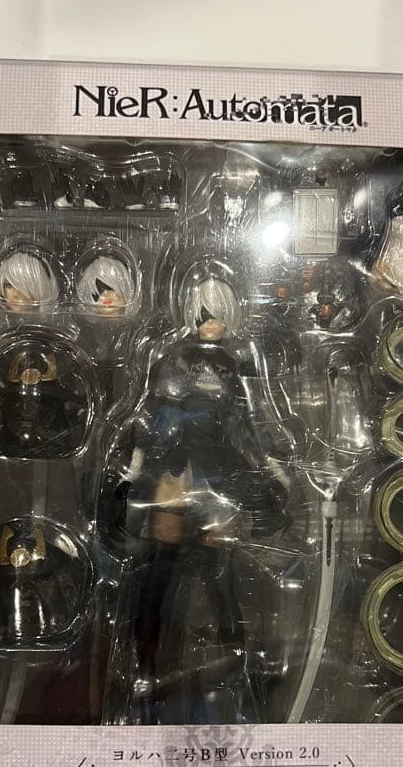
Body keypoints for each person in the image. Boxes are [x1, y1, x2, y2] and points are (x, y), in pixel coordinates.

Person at [100, 270, 290, 725]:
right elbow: (148, 418)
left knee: (221, 579)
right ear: (190, 316)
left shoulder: (237, 364)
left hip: (218, 477)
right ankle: (143, 668)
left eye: (217, 316)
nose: (211, 324)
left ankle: (239, 668)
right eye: (204, 316)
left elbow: (254, 423)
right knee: (158, 577)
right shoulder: (170, 358)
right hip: (174, 475)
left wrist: (274, 469)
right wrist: (130, 474)